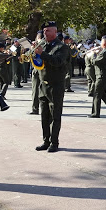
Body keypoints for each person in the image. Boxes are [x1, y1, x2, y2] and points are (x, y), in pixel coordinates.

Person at [34, 21, 70, 152]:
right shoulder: (42, 44)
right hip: (43, 85)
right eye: (44, 31)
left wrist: (42, 53)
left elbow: (57, 62)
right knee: (44, 116)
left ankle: (54, 142)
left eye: (48, 31)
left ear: (55, 32)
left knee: (55, 115)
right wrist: (33, 52)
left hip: (56, 86)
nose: (45, 33)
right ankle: (46, 140)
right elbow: (37, 61)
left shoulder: (62, 47)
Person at [28, 31, 44, 115]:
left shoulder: (37, 44)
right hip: (46, 70)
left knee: (35, 90)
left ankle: (35, 108)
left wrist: (31, 49)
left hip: (37, 70)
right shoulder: (49, 44)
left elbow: (30, 55)